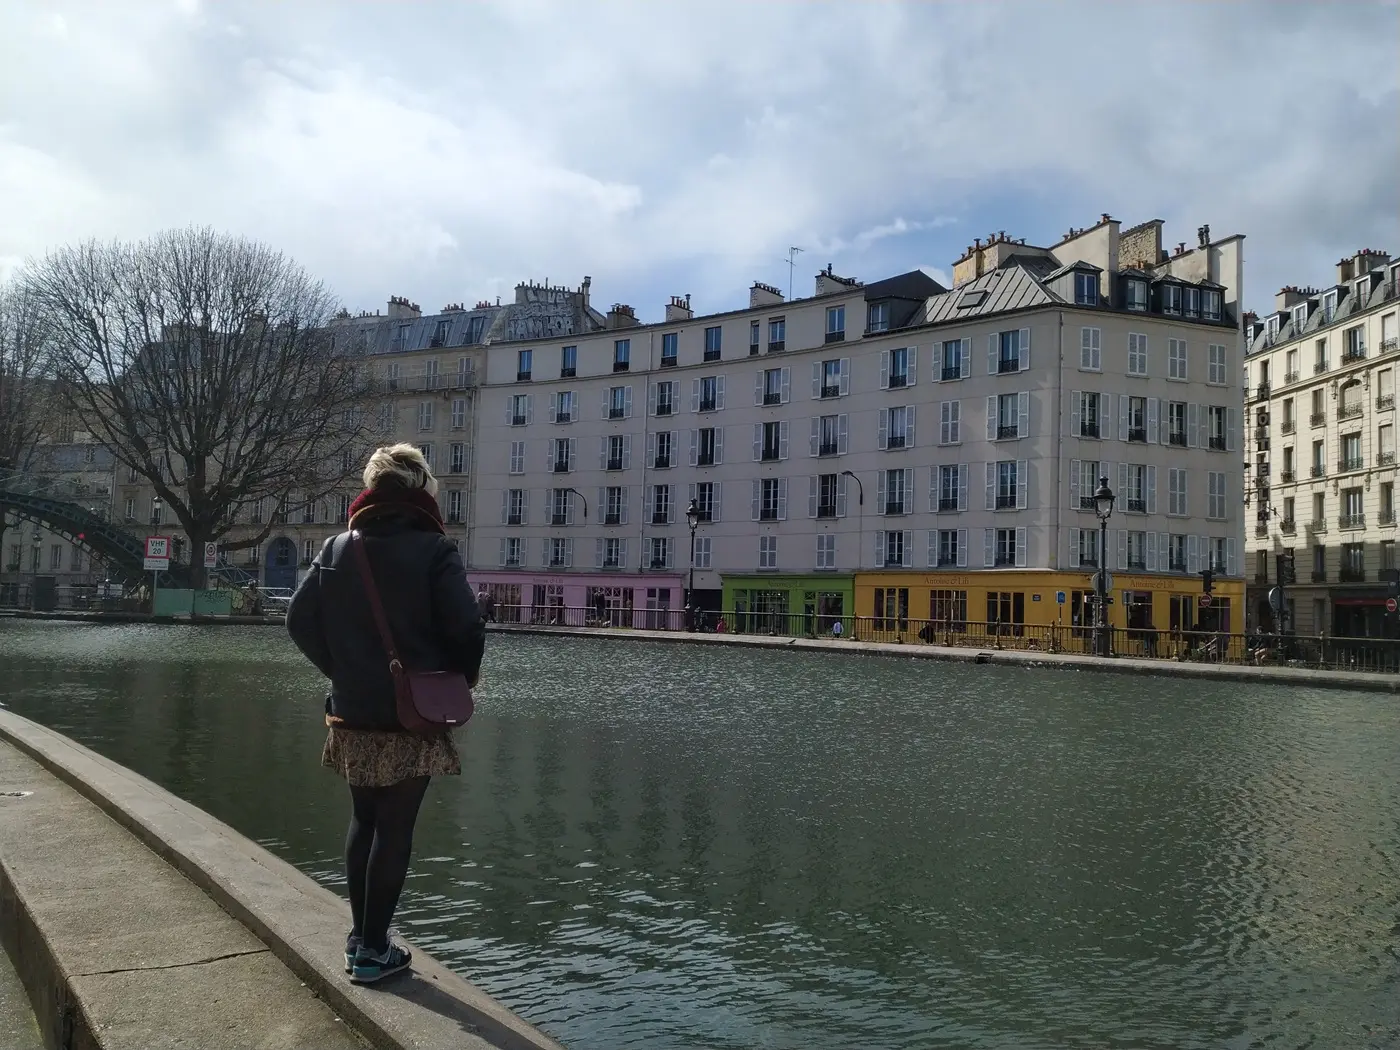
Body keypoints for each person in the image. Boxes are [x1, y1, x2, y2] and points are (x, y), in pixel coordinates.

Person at [287, 444, 484, 985]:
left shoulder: (337, 547)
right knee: (396, 828)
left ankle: (359, 937)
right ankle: (374, 951)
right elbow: (466, 628)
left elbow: (298, 621)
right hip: (412, 713)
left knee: (364, 820)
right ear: (421, 491)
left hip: (351, 710)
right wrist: (460, 679)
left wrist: (342, 669)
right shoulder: (434, 549)